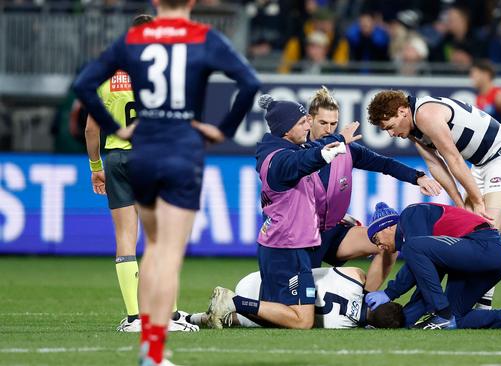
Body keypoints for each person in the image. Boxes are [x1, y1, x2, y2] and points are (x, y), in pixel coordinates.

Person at [73, 0, 261, 364]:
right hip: (178, 151)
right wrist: (221, 130)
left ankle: (145, 339)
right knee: (167, 250)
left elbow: (83, 86)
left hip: (133, 154)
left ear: (157, 4)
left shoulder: (130, 47)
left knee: (144, 246)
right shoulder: (202, 38)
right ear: (191, 3)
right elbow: (250, 82)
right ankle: (161, 337)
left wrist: (116, 130)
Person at [84, 13, 197, 335]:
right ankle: (170, 314)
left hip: (117, 158)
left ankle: (135, 318)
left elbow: (92, 128)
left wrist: (95, 168)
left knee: (124, 239)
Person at [207, 95, 361, 331]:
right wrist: (338, 142)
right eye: (302, 122)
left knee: (274, 316)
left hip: (277, 245)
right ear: (286, 130)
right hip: (290, 247)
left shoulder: (279, 151)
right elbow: (301, 162)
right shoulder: (280, 159)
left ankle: (201, 317)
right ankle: (233, 302)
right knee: (302, 321)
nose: (308, 125)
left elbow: (305, 162)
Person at [367, 89, 501, 309]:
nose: (391, 134)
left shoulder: (426, 115)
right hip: (480, 165)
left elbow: (452, 157)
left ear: (402, 111)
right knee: (469, 234)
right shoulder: (414, 129)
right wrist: (460, 203)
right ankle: (467, 303)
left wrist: (478, 201)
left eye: (390, 127)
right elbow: (436, 165)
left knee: (488, 229)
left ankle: (483, 305)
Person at [305, 86, 442, 291]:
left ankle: (367, 304)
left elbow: (385, 164)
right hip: (304, 235)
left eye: (333, 124)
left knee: (388, 242)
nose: (328, 129)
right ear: (309, 120)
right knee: (301, 304)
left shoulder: (347, 151)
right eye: (323, 123)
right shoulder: (296, 152)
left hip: (333, 233)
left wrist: (418, 177)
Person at [364, 202, 501, 331]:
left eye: (376, 238)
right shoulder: (417, 241)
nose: (378, 246)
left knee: (413, 247)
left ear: (388, 226)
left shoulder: (410, 214)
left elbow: (422, 267)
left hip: (486, 246)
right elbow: (426, 275)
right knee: (456, 319)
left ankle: (442, 314)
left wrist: (390, 293)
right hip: (486, 261)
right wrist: (405, 321)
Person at [188, 266, 405, 329]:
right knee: (295, 320)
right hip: (257, 312)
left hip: (262, 280)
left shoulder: (356, 276)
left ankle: (194, 317)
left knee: (305, 278)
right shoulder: (342, 326)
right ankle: (194, 318)